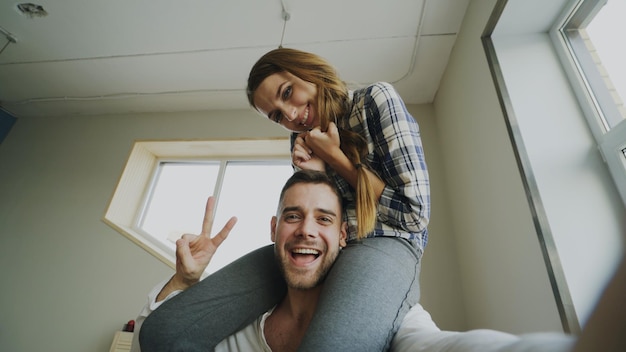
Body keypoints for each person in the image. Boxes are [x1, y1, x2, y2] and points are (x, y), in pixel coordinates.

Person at [140, 47, 430, 351]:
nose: (291, 115)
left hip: (382, 241)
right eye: (278, 115)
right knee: (163, 332)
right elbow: (312, 211)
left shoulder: (374, 100)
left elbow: (413, 215)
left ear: (309, 71)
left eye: (288, 92)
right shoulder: (301, 138)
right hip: (319, 246)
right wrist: (316, 173)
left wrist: (335, 158)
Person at [133, 170, 347, 351]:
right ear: (273, 229)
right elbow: (149, 344)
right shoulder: (234, 329)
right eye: (292, 216)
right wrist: (183, 280)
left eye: (324, 219)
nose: (306, 230)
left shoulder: (363, 331)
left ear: (343, 235)